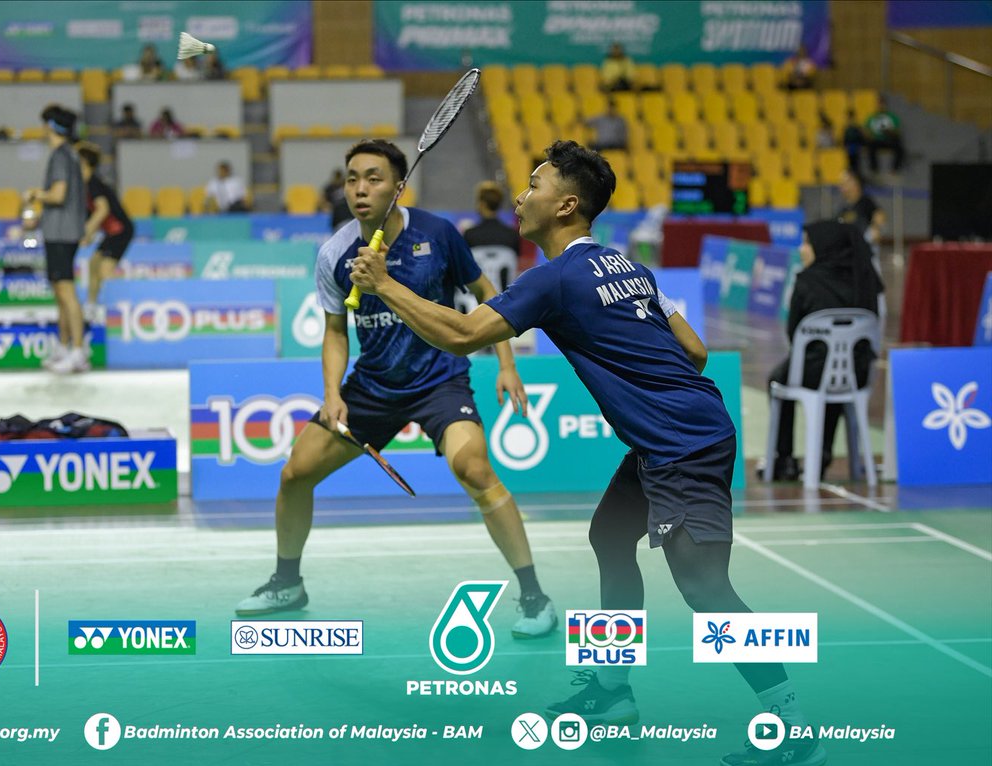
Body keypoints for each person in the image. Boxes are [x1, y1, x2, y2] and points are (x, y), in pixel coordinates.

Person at [350, 140, 826, 766]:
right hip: (676, 434)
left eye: (535, 184)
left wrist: (384, 284)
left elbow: (463, 335)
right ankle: (611, 689)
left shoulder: (554, 279)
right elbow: (696, 351)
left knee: (705, 586)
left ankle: (790, 720)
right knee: (610, 536)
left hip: (681, 445)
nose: (522, 195)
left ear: (566, 204)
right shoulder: (629, 267)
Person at [235, 138, 559, 640]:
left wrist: (506, 364)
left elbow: (486, 295)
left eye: (374, 178)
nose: (360, 189)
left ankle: (534, 593)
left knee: (473, 467)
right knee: (295, 473)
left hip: (439, 380)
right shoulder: (336, 253)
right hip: (373, 385)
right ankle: (287, 582)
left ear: (397, 186)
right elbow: (336, 330)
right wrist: (333, 391)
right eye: (351, 178)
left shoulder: (439, 234)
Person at [765, 221, 882, 482]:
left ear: (823, 246)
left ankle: (784, 460)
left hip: (811, 373)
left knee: (778, 377)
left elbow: (794, 333)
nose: (802, 249)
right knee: (837, 378)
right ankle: (824, 452)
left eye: (806, 242)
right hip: (858, 375)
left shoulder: (807, 281)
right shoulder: (864, 279)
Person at [25, 105, 87, 374]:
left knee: (66, 291)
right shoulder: (69, 155)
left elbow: (59, 195)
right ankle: (64, 347)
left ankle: (78, 352)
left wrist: (34, 194)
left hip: (61, 233)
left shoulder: (60, 156)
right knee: (61, 292)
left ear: (50, 126)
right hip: (62, 230)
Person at [76, 142, 133, 316]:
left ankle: (133, 299)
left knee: (105, 271)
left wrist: (86, 232)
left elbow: (103, 209)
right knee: (94, 264)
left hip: (121, 231)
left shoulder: (94, 183)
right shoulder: (84, 186)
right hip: (111, 233)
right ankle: (91, 305)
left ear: (84, 163)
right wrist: (88, 235)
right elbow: (91, 214)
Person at [461, 181, 522, 317]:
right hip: (505, 305)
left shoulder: (470, 235)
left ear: (481, 204)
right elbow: (513, 265)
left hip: (473, 306)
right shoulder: (511, 235)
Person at [836, 168, 886, 244]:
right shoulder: (843, 208)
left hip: (864, 248)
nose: (841, 187)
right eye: (841, 184)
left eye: (845, 183)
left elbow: (880, 216)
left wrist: (875, 228)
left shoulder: (866, 202)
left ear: (855, 183)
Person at [864, 96, 904, 174]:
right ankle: (874, 169)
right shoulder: (872, 117)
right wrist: (870, 135)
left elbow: (897, 132)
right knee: (870, 146)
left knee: (900, 148)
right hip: (876, 141)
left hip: (888, 140)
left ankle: (895, 169)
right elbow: (866, 131)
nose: (881, 106)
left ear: (885, 105)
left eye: (882, 104)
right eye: (879, 104)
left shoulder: (892, 117)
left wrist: (889, 131)